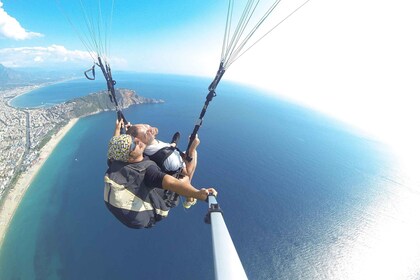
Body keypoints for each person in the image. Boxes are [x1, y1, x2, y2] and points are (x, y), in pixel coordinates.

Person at [105, 124, 216, 229]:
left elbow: (117, 146)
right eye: (134, 144)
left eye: (134, 139)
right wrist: (198, 194)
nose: (137, 141)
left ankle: (172, 147)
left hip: (124, 200)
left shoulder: (117, 160)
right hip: (155, 209)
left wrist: (118, 129)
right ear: (129, 157)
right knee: (190, 163)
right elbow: (171, 183)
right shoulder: (147, 171)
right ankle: (189, 198)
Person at [124, 122, 199, 208]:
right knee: (193, 155)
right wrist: (193, 147)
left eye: (146, 126)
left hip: (166, 156)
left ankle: (172, 145)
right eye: (146, 132)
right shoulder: (169, 159)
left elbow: (136, 136)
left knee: (179, 150)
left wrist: (129, 129)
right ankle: (189, 195)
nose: (150, 129)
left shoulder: (142, 148)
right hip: (175, 174)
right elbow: (188, 172)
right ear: (139, 142)